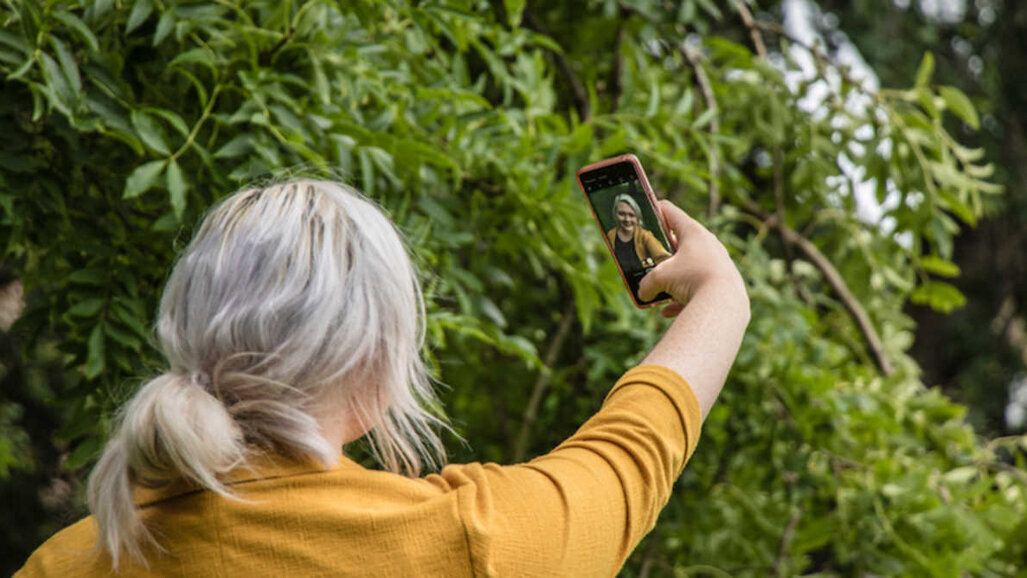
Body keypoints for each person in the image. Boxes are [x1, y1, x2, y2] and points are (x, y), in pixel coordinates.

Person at [17, 179, 749, 577]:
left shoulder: (65, 563)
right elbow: (629, 456)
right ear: (375, 368)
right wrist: (720, 295)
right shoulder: (465, 542)